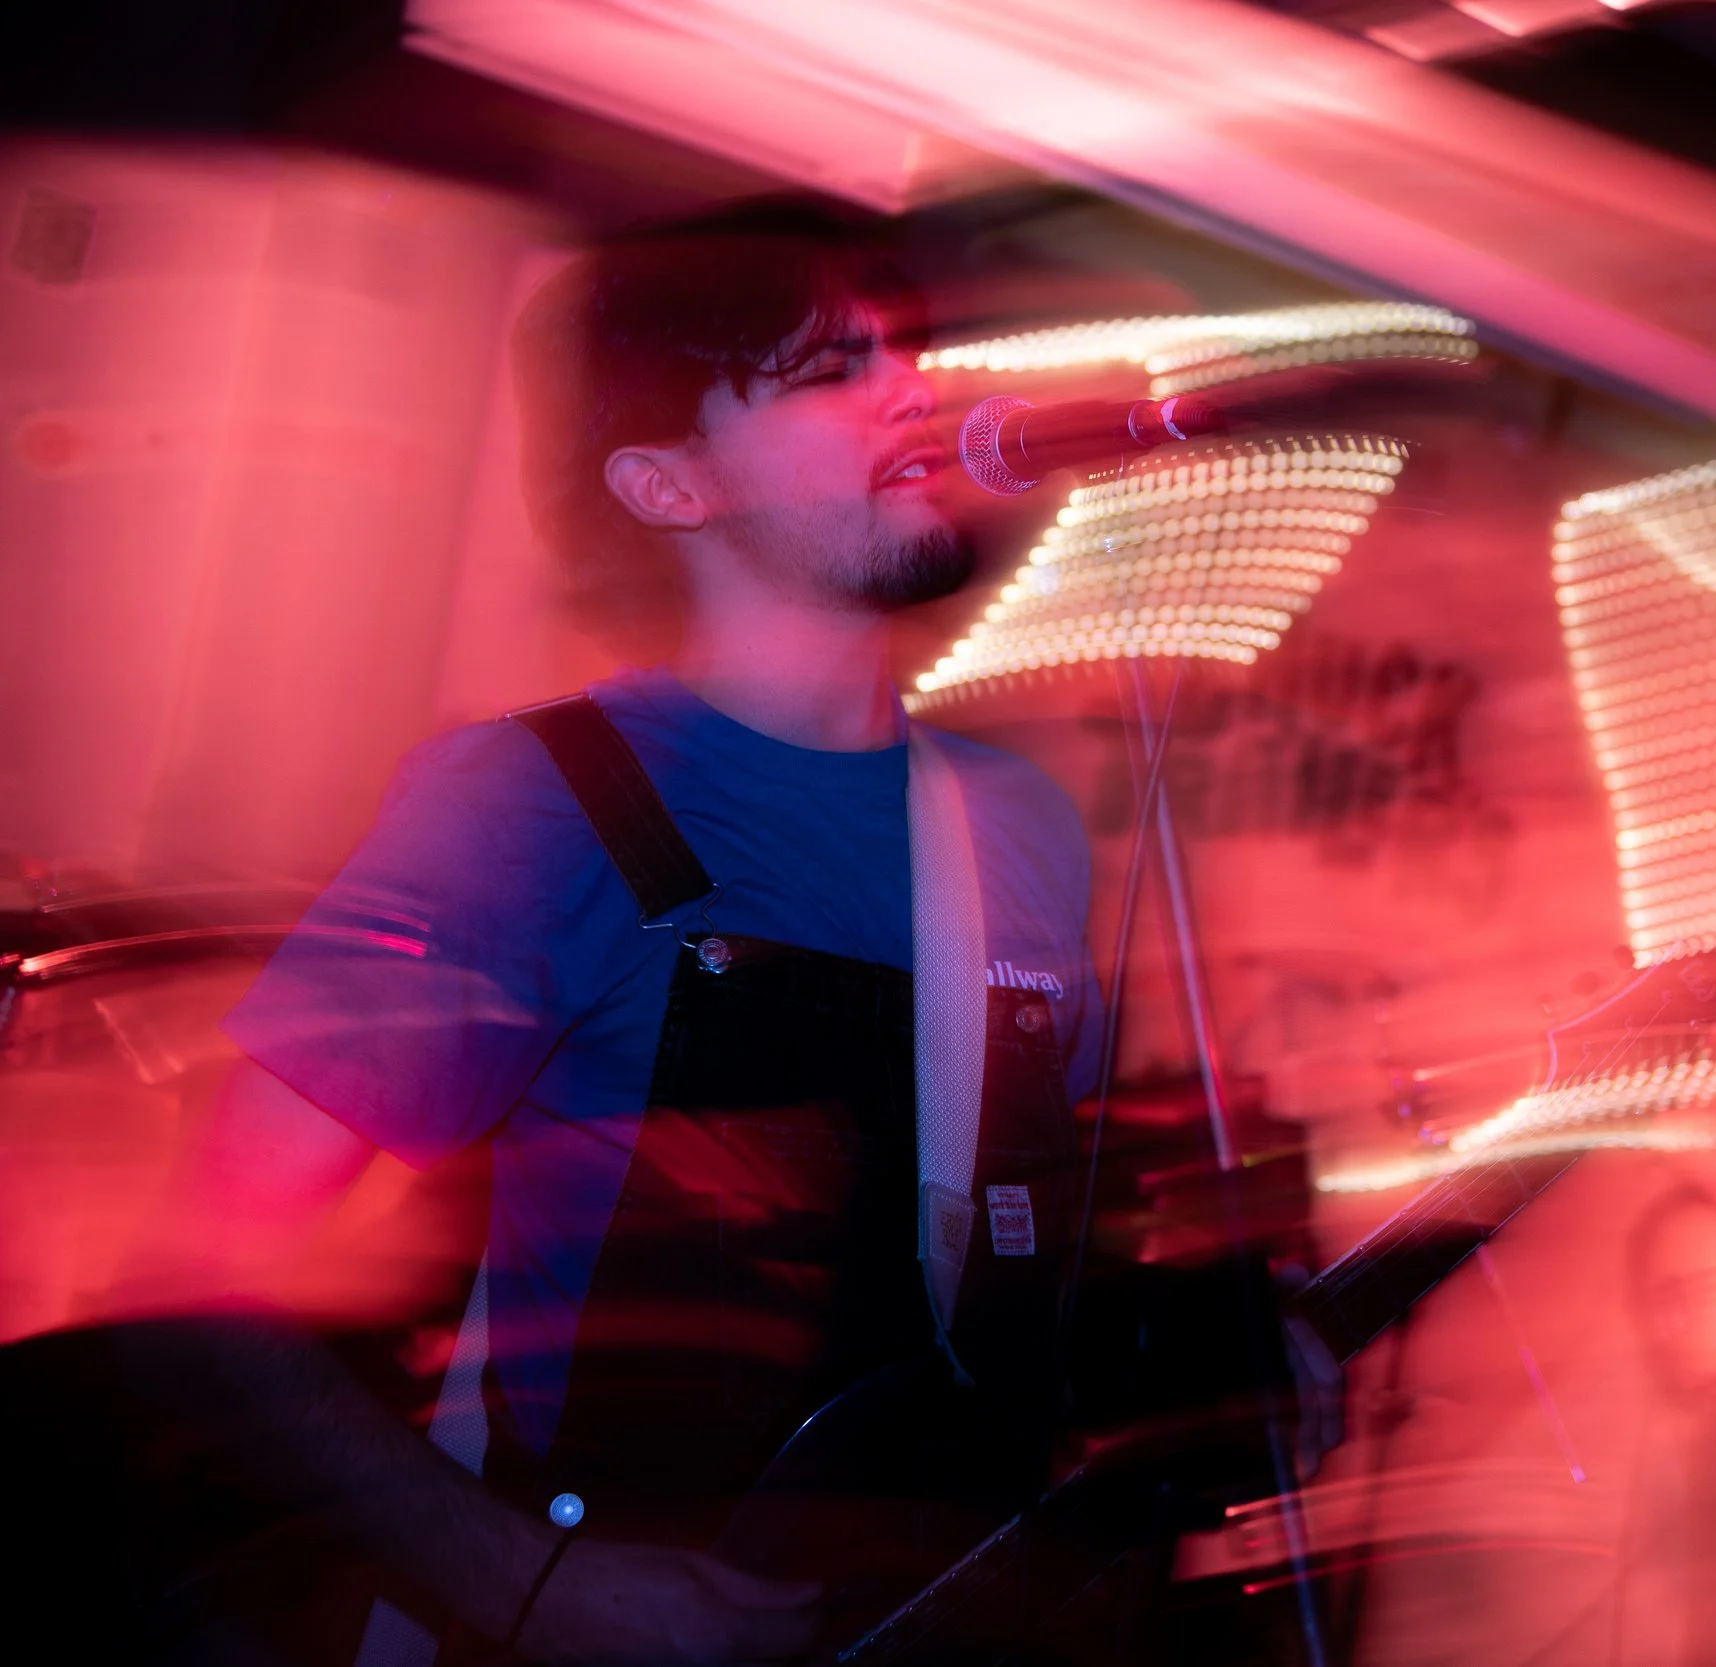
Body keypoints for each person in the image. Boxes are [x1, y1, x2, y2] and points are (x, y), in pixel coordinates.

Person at [121, 201, 1267, 1665]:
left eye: (908, 351)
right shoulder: (534, 801)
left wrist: (1206, 1357)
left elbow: (983, 1279)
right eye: (827, 367)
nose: (915, 389)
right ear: (669, 485)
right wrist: (528, 1585)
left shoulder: (1021, 827)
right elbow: (197, 1278)